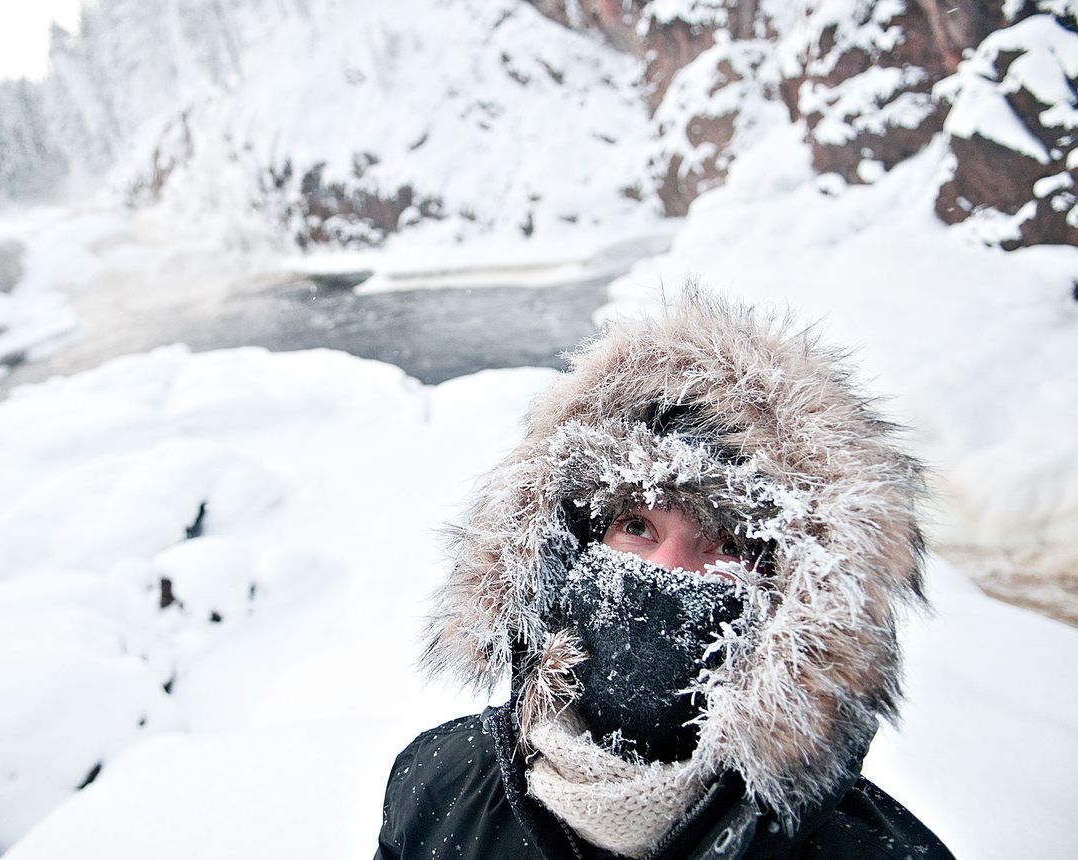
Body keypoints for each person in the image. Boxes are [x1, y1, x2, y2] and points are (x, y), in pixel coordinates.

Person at [374, 289, 954, 859]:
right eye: (637, 526)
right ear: (567, 547)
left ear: (792, 590)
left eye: (728, 543)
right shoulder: (440, 787)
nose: (669, 572)